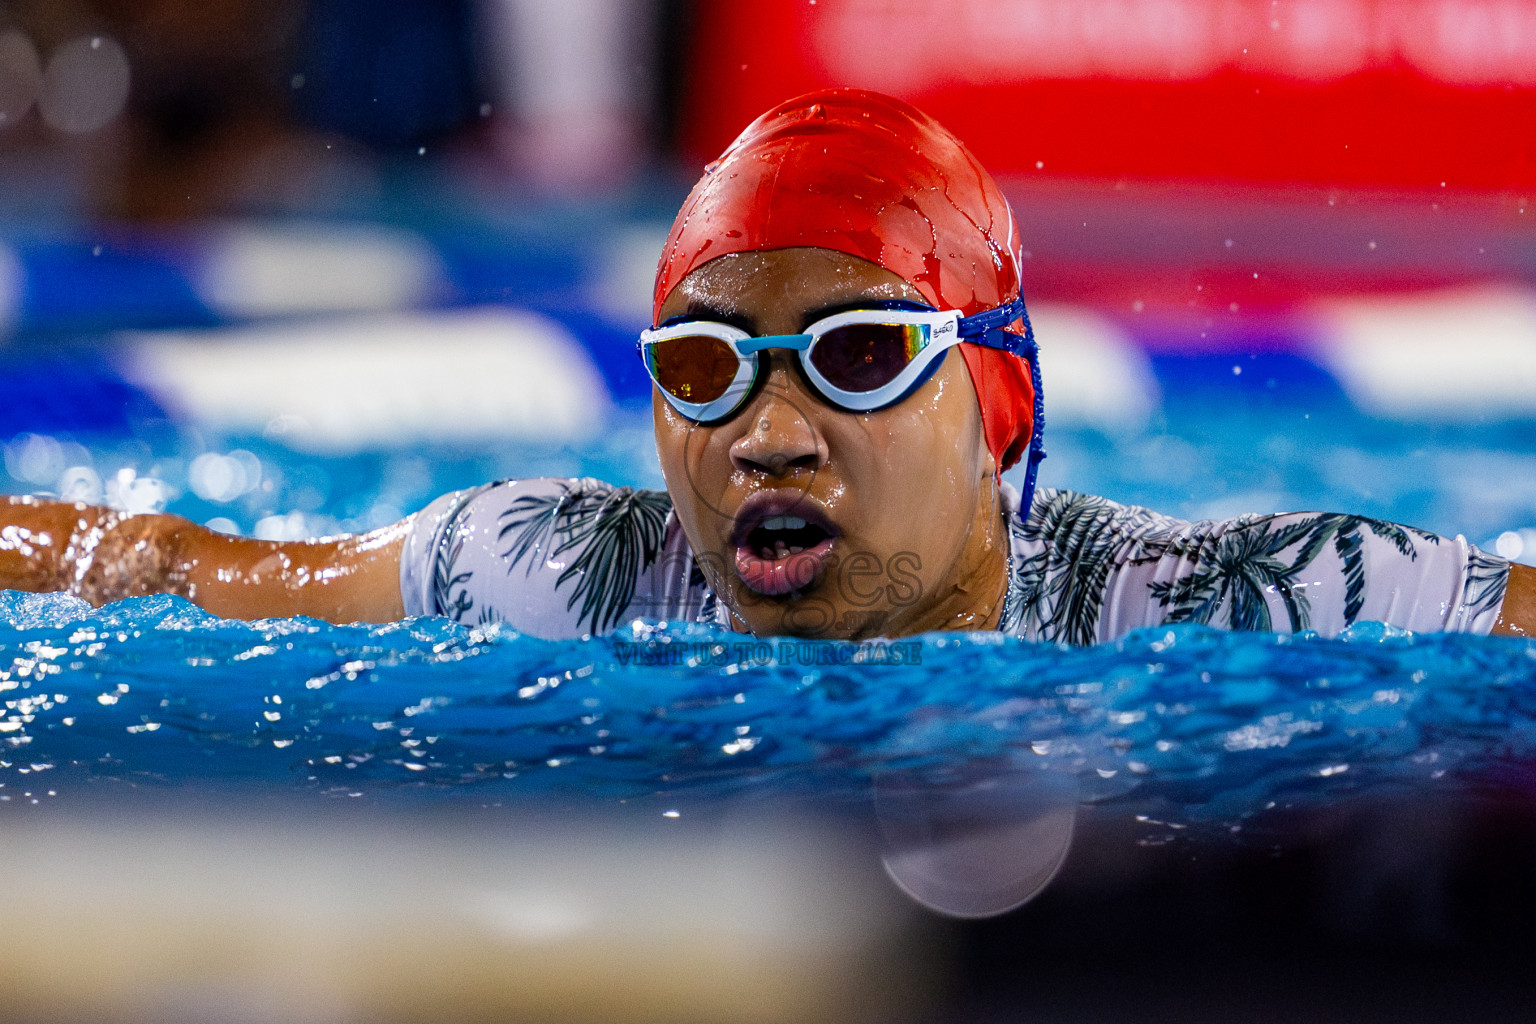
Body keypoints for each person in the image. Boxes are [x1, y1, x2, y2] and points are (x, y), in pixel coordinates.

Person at [2, 89, 1533, 642]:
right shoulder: (558, 567)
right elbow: (161, 563)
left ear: (996, 401)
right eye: (705, 368)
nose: (770, 434)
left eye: (859, 356)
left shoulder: (1224, 608)